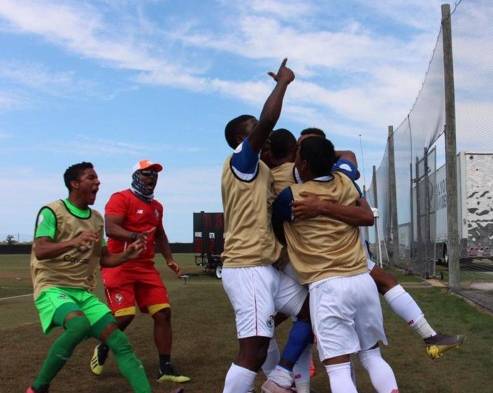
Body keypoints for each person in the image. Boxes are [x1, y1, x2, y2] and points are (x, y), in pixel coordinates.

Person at [291, 128, 464, 360]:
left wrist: (319, 150)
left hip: (335, 260)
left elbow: (350, 159)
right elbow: (350, 157)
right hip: (327, 261)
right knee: (309, 321)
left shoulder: (311, 174)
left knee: (383, 286)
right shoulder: (331, 177)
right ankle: (284, 372)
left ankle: (429, 335)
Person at [272, 137, 399, 393]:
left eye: (297, 158)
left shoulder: (290, 197)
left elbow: (278, 233)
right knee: (373, 357)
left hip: (328, 287)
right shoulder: (347, 184)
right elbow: (364, 210)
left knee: (338, 369)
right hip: (362, 281)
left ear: (304, 165)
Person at [221, 59, 313, 393]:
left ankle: (281, 377)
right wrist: (284, 83)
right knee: (253, 349)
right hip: (247, 268)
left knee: (312, 311)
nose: (266, 134)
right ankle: (274, 376)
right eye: (257, 130)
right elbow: (269, 119)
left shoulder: (261, 170)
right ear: (242, 140)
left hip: (266, 266)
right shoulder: (241, 162)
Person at [28, 162, 151, 393]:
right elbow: (41, 250)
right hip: (52, 288)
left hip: (81, 292)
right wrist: (74, 241)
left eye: (97, 178)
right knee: (78, 324)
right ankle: (38, 388)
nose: (98, 182)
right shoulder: (53, 211)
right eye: (91, 178)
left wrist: (127, 254)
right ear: (75, 184)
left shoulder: (96, 219)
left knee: (120, 342)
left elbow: (104, 259)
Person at [90, 160, 190, 384]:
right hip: (119, 264)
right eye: (146, 174)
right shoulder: (121, 198)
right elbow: (110, 228)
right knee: (124, 316)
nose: (151, 179)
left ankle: (165, 368)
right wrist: (136, 236)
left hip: (146, 268)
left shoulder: (157, 207)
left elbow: (160, 235)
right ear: (136, 175)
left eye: (155, 175)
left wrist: (170, 259)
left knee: (163, 313)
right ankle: (103, 347)